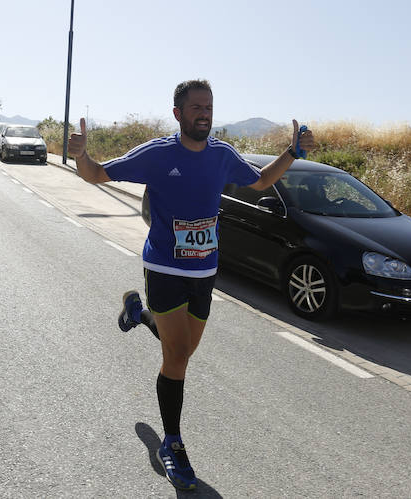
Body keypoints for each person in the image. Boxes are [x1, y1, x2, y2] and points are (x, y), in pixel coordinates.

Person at [67, 79, 314, 491]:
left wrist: (291, 153)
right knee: (178, 353)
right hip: (164, 267)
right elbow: (98, 175)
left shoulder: (222, 155)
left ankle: (137, 313)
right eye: (196, 107)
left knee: (180, 351)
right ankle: (173, 443)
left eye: (209, 107)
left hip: (205, 272)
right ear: (178, 113)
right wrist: (81, 156)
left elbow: (259, 181)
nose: (205, 113)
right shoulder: (158, 153)